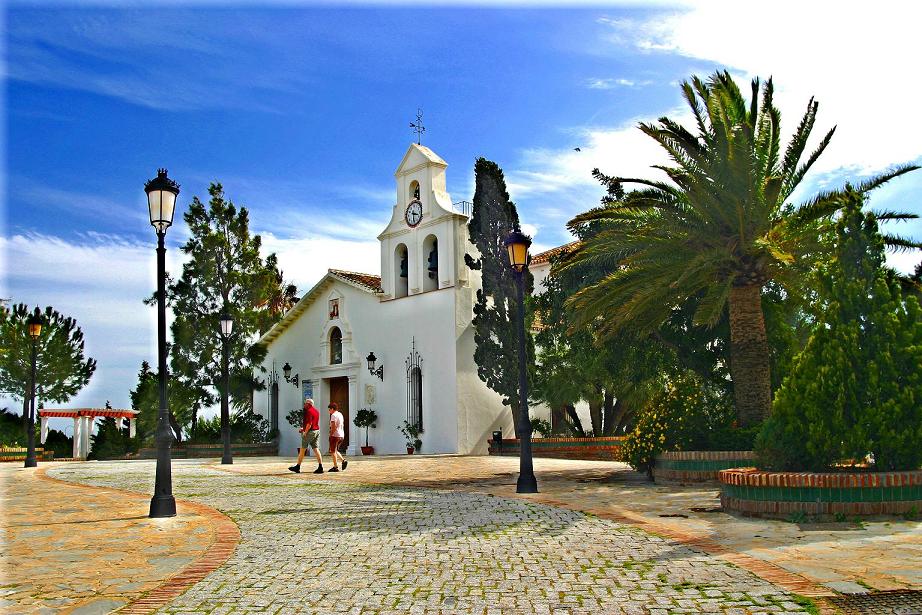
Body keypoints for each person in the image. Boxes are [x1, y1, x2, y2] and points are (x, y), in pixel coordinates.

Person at [289, 399, 324, 474]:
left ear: (309, 404)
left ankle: (297, 467)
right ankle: (320, 467)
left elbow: (309, 424)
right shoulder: (316, 411)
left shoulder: (309, 411)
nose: (304, 404)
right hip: (316, 431)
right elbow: (313, 423)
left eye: (305, 403)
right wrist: (303, 428)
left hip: (310, 432)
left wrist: (305, 432)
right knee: (316, 449)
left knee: (302, 449)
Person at [326, 402, 348, 472]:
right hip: (341, 435)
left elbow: (333, 426)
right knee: (335, 450)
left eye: (329, 409)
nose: (329, 411)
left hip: (335, 435)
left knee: (332, 451)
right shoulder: (340, 414)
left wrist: (331, 434)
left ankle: (335, 467)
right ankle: (343, 461)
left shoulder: (333, 415)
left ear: (332, 409)